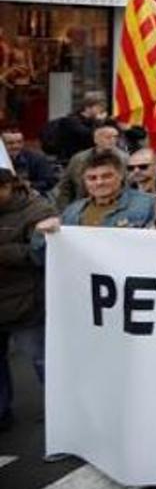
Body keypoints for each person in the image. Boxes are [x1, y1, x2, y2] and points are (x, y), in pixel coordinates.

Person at [0, 164, 56, 431]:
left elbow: (40, 253)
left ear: (9, 186)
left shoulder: (37, 211)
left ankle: (61, 412)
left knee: (41, 359)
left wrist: (4, 253)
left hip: (27, 304)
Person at [40, 150, 156, 230]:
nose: (99, 182)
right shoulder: (72, 211)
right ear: (84, 181)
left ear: (121, 176)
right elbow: (46, 254)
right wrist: (42, 233)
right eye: (92, 178)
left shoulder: (149, 204)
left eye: (106, 176)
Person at [53, 121, 128, 209]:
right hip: (82, 205)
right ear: (96, 139)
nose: (112, 140)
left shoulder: (125, 159)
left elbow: (129, 186)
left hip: (116, 206)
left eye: (115, 137)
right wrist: (64, 210)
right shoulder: (79, 159)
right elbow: (66, 187)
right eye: (107, 137)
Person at [40, 93, 107, 163]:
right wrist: (99, 123)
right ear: (88, 107)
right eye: (99, 107)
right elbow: (91, 137)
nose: (101, 110)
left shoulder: (92, 121)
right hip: (71, 160)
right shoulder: (72, 121)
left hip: (88, 158)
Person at [1, 128, 55, 196]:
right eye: (10, 143)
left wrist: (29, 184)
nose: (16, 146)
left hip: (29, 196)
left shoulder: (36, 158)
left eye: (19, 142)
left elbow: (49, 182)